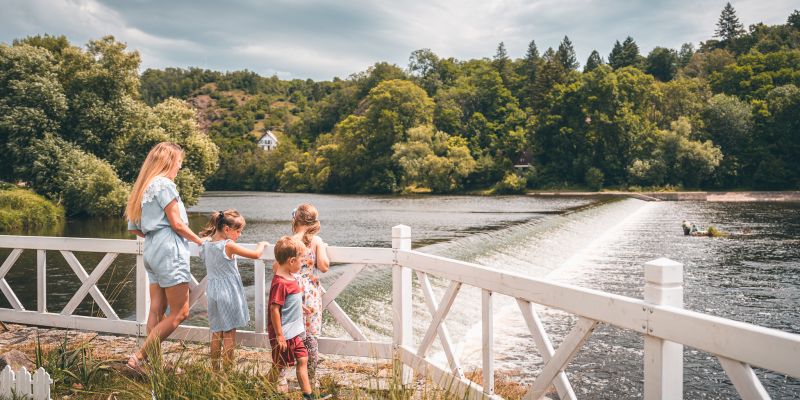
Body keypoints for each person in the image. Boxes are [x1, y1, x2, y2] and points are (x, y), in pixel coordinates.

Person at [124, 142, 204, 370]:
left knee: (156, 310)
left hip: (151, 248)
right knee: (181, 312)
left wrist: (155, 234)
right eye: (179, 162)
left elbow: (134, 228)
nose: (180, 167)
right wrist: (200, 241)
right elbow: (177, 223)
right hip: (169, 249)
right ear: (169, 162)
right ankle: (138, 357)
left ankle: (156, 364)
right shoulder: (166, 185)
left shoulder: (144, 187)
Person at [198, 209, 268, 370]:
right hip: (228, 293)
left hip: (213, 292)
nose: (240, 235)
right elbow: (256, 255)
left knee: (216, 332)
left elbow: (206, 240)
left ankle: (215, 370)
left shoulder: (207, 244)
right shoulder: (228, 245)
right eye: (238, 231)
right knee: (229, 334)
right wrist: (262, 244)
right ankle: (228, 372)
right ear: (227, 230)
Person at [267, 236, 331, 400]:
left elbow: (290, 300)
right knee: (278, 365)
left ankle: (308, 396)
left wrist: (300, 307)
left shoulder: (292, 278)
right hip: (284, 333)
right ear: (291, 261)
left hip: (296, 332)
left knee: (302, 359)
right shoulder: (280, 283)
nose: (302, 264)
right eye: (301, 261)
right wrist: (279, 335)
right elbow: (275, 309)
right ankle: (264, 389)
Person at [292, 204, 329, 387]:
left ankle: (284, 376)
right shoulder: (316, 241)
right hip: (310, 292)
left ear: (295, 220)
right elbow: (323, 266)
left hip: (292, 290)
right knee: (311, 337)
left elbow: (277, 267)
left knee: (293, 334)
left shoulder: (290, 240)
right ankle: (310, 380)